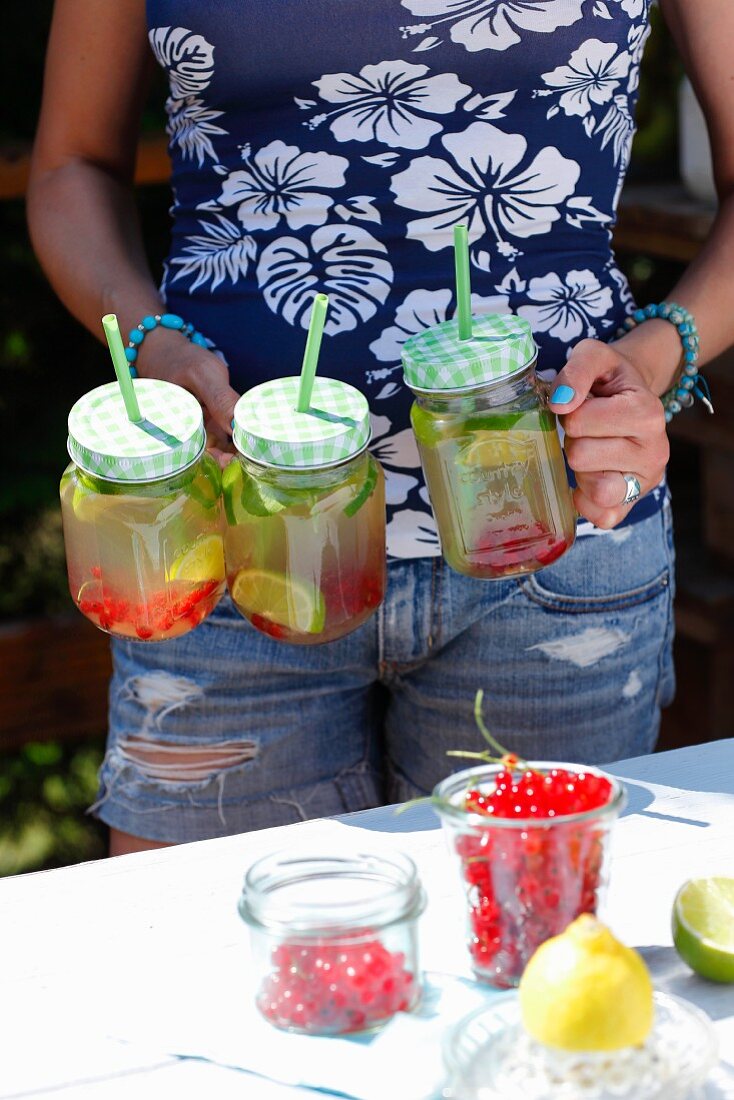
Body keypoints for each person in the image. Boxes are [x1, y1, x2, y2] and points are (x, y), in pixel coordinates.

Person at [27, 0, 732, 855]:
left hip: (559, 535)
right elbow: (72, 165)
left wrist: (658, 358)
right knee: (207, 966)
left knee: (535, 964)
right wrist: (147, 337)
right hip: (219, 545)